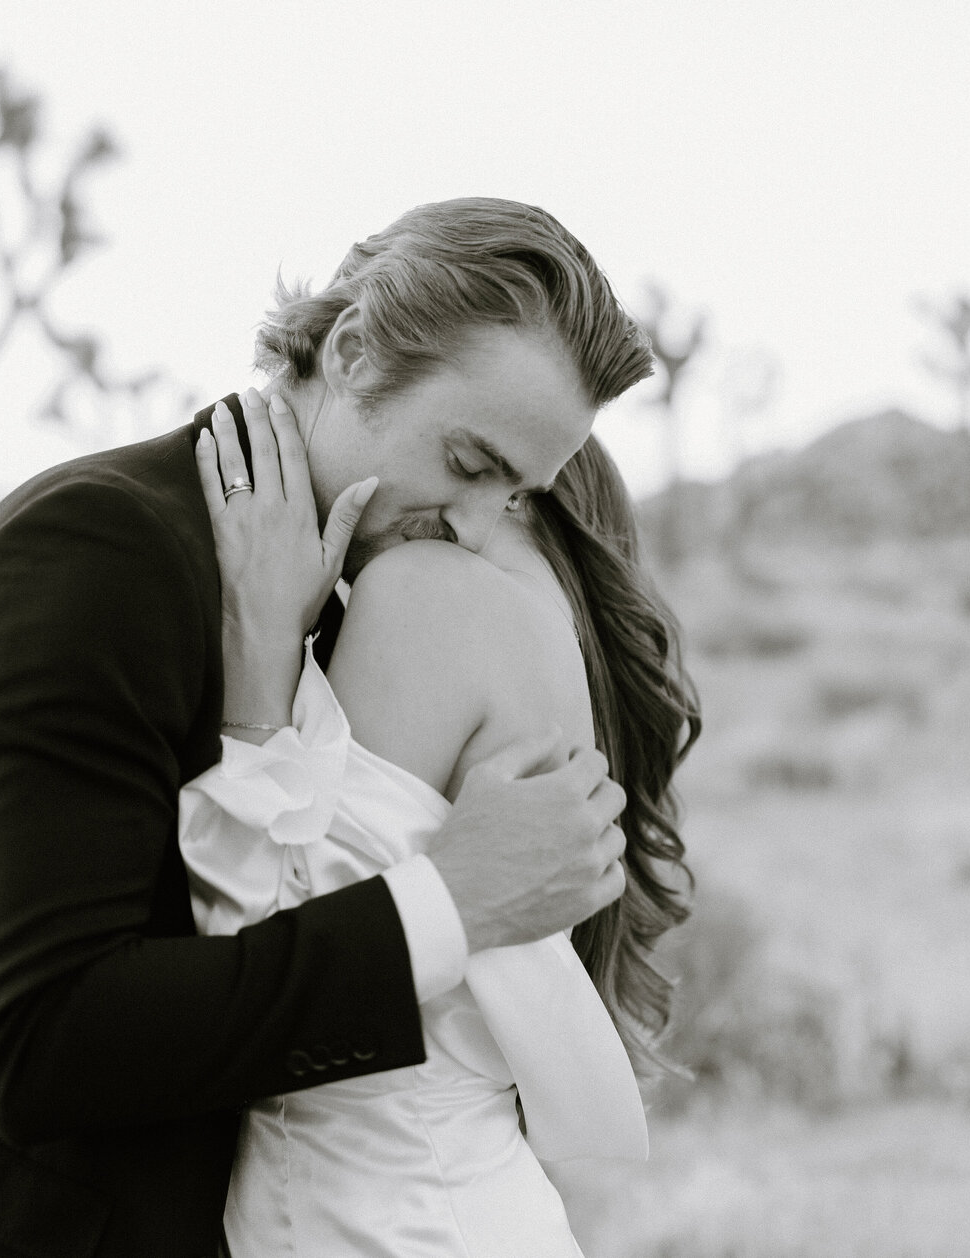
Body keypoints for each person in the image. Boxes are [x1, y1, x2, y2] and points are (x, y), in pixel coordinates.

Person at [0, 197, 653, 1258]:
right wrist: (449, 902)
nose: (475, 525)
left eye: (516, 494)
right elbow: (41, 1040)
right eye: (470, 464)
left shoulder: (361, 587)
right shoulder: (88, 551)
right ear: (351, 349)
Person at [180, 400, 699, 1255]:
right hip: (469, 1199)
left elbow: (260, 961)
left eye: (471, 467)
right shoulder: (555, 649)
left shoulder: (431, 593)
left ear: (523, 495)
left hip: (368, 1218)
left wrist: (259, 653)